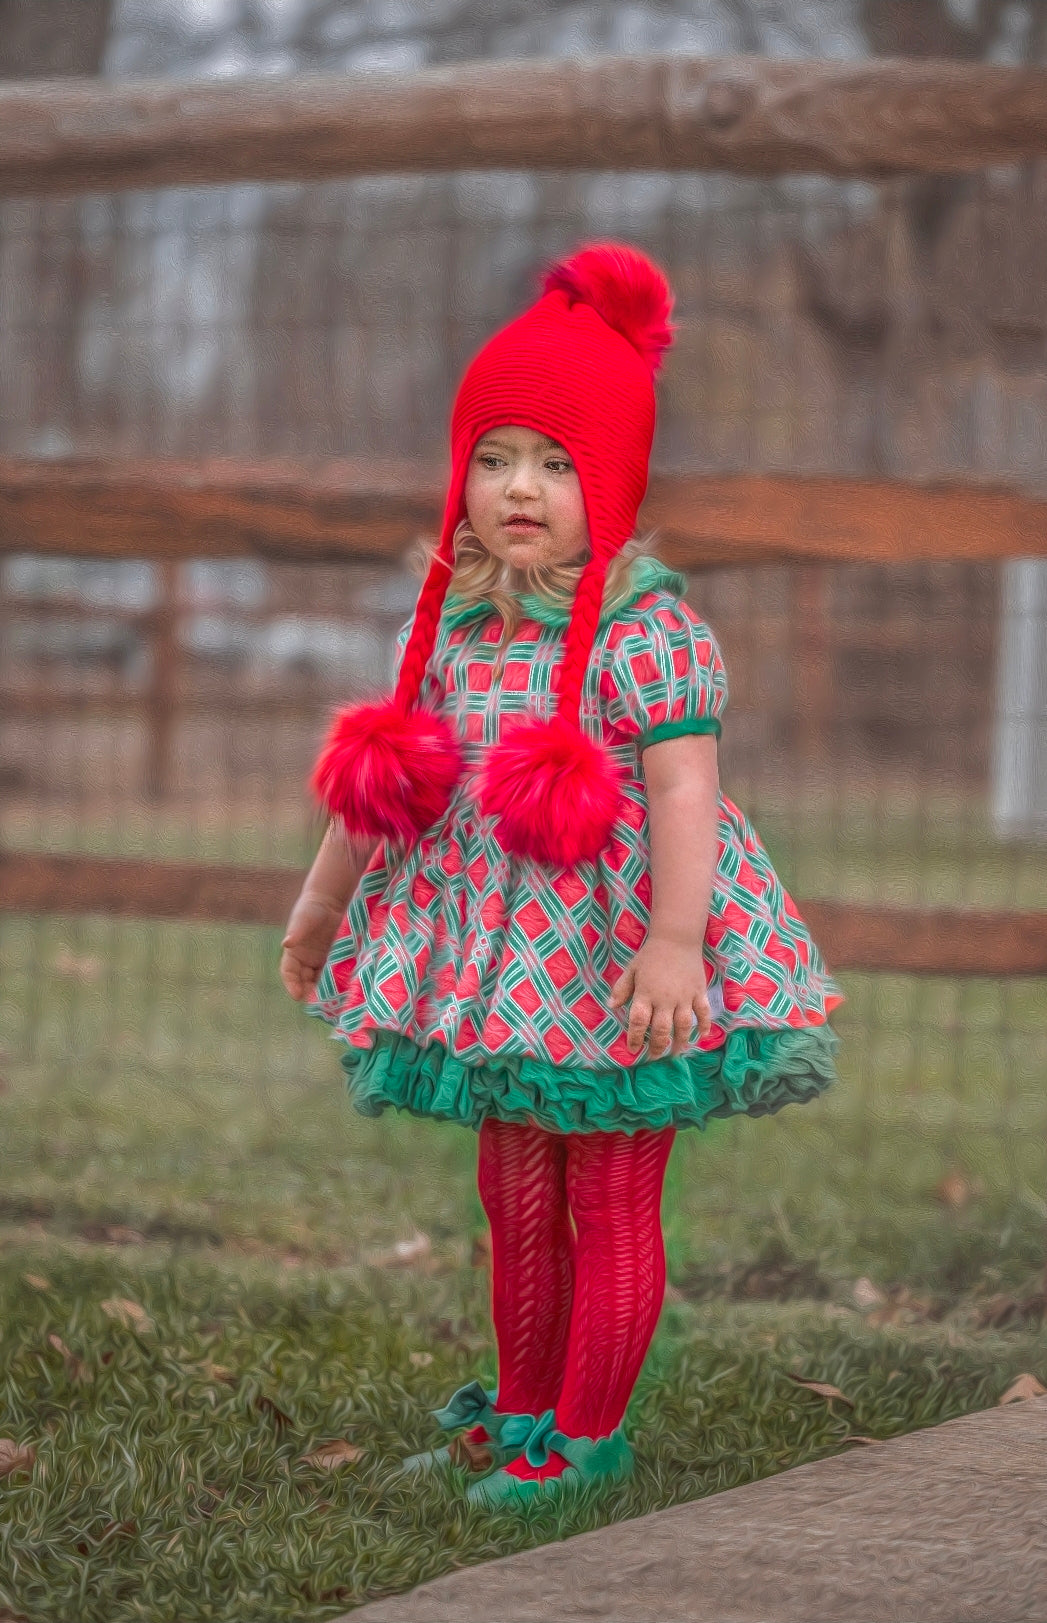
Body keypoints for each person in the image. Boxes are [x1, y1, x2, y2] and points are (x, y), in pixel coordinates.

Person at [280, 242, 842, 1511]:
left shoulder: (649, 633)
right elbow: (390, 785)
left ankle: (588, 1439)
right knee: (512, 1181)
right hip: (496, 965)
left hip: (619, 954)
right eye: (494, 457)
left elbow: (686, 792)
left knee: (609, 1180)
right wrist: (320, 908)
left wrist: (679, 940)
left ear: (614, 479)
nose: (519, 487)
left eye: (555, 461)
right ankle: (519, 1411)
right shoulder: (455, 626)